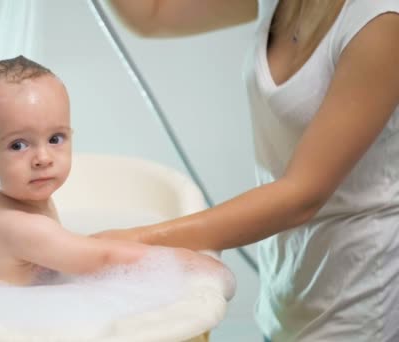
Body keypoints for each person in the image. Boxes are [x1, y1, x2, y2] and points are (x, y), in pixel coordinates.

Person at [96, 0, 399, 341]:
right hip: (288, 285)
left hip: (357, 297)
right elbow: (152, 16)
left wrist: (131, 243)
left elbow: (301, 195)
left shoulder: (381, 22)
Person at [0, 56, 225, 287]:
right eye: (18, 145)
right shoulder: (15, 225)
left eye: (55, 138)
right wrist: (186, 262)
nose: (43, 158)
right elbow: (103, 259)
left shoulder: (22, 203)